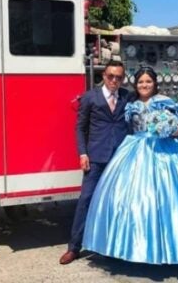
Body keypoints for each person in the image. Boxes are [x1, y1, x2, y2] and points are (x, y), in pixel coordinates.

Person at [82, 67, 178, 265]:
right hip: (135, 150)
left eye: (148, 81)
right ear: (135, 84)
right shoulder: (130, 103)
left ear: (155, 83)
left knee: (171, 200)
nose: (144, 85)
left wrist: (167, 129)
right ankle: (131, 247)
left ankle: (171, 247)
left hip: (165, 152)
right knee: (129, 200)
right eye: (141, 82)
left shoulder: (164, 102)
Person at [59, 60, 130, 265]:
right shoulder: (90, 97)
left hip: (119, 159)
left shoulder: (127, 96)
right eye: (111, 76)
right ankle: (74, 248)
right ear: (103, 76)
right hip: (96, 159)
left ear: (123, 78)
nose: (114, 80)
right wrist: (83, 153)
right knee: (86, 201)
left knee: (117, 203)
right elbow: (80, 128)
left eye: (119, 77)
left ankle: (113, 247)